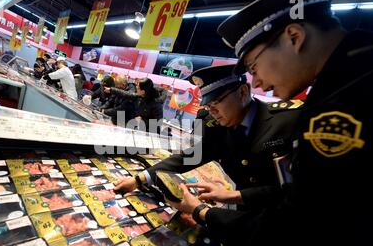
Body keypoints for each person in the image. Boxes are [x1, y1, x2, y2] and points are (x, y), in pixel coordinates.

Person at [179, 0, 373, 246]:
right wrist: (235, 196)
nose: (256, 83)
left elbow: (298, 223)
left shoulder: (345, 100)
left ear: (294, 36)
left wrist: (203, 212)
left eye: (253, 67)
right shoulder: (350, 75)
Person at [115, 65, 301, 212]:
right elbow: (190, 156)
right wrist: (140, 179)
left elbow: (296, 189)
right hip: (239, 213)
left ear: (243, 92)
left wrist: (235, 196)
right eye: (208, 104)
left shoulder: (288, 122)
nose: (211, 111)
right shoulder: (217, 125)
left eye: (216, 103)